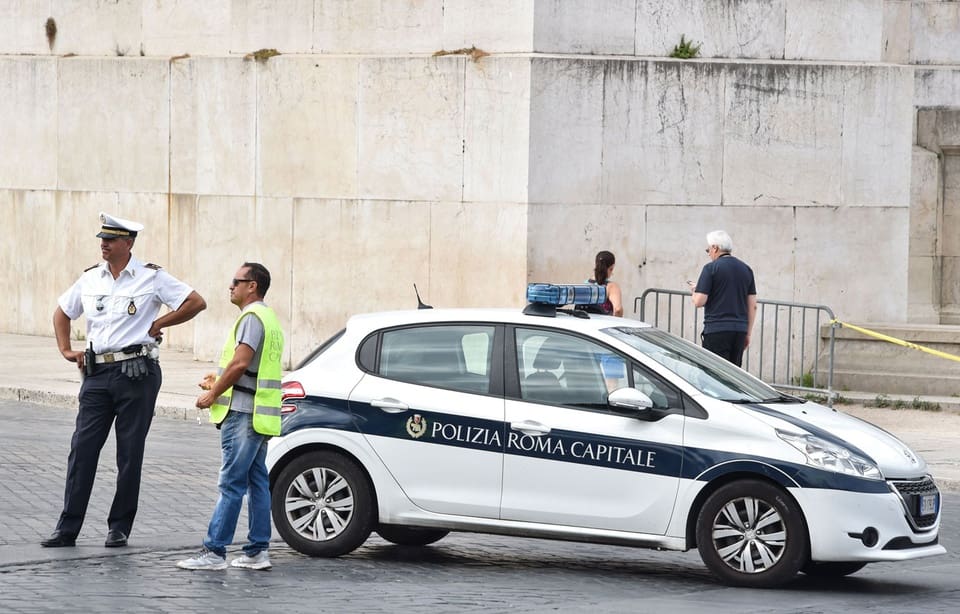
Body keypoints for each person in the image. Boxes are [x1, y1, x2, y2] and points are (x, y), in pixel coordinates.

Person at [42, 212, 207, 548]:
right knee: (82, 450)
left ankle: (119, 527)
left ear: (128, 243)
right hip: (97, 374)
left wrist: (160, 323)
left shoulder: (151, 277)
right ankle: (67, 527)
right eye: (102, 239)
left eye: (111, 240)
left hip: (136, 373)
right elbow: (62, 311)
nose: (103, 245)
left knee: (129, 453)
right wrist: (66, 349)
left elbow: (195, 302)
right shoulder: (91, 278)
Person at [177, 262, 285, 571]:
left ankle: (214, 552)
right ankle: (257, 551)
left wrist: (213, 394)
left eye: (236, 281)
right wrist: (219, 379)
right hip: (258, 414)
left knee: (231, 484)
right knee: (257, 482)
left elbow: (240, 364)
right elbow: (249, 368)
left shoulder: (251, 318)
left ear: (252, 286)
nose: (230, 286)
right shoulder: (269, 318)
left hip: (242, 414)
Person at [688, 230, 757, 367]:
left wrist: (695, 291)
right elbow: (753, 305)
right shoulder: (746, 269)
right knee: (732, 374)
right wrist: (748, 334)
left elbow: (699, 301)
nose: (709, 253)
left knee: (713, 373)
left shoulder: (710, 269)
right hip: (739, 330)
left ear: (715, 248)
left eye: (708, 250)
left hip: (716, 329)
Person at [584, 250, 624, 317]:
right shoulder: (611, 287)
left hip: (587, 322)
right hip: (605, 322)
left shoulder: (585, 284)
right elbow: (618, 310)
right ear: (611, 267)